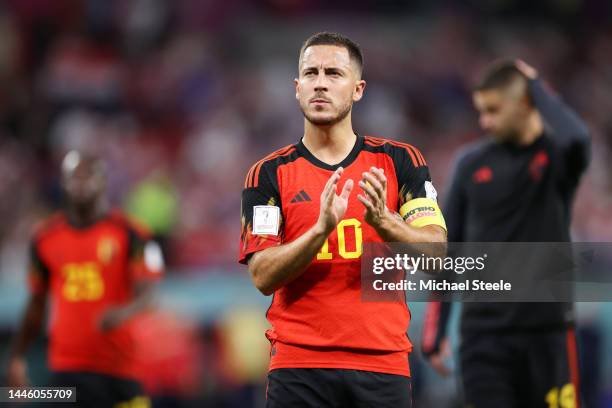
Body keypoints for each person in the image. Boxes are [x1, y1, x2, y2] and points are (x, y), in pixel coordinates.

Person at [238, 32, 447, 407]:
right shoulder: (269, 173)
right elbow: (262, 275)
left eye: (334, 73)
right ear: (297, 88)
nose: (320, 83)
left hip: (382, 365)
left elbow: (436, 255)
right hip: (298, 367)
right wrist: (319, 231)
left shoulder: (400, 161)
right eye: (311, 73)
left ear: (358, 89)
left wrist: (387, 224)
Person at [421, 60, 590, 407]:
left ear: (525, 104)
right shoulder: (471, 165)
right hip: (484, 339)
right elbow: (447, 250)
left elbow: (577, 137)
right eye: (482, 111)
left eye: (494, 110)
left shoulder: (555, 158)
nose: (485, 122)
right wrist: (436, 332)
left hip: (549, 336)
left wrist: (536, 85)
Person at [6, 151, 164, 408]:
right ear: (63, 182)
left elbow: (150, 292)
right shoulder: (45, 238)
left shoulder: (131, 233)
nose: (81, 184)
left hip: (118, 371)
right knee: (14, 398)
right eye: (74, 177)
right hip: (66, 372)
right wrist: (17, 357)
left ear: (102, 181)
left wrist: (123, 312)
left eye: (88, 176)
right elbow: (36, 304)